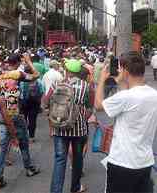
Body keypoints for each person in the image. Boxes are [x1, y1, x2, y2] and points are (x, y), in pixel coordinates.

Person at [95, 51, 157, 193]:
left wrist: (101, 80)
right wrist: (122, 80)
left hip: (122, 163)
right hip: (144, 162)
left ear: (125, 70)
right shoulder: (153, 94)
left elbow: (98, 105)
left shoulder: (126, 97)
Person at [0, 53, 40, 189]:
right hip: (15, 115)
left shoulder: (0, 75)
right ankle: (29, 168)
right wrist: (29, 62)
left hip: (3, 115)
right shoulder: (18, 74)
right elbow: (36, 75)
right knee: (23, 142)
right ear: (18, 62)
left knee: (2, 147)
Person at [50, 59, 91, 193]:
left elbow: (45, 100)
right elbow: (90, 107)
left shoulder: (57, 84)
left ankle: (56, 190)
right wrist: (83, 117)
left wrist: (51, 118)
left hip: (59, 127)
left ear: (67, 71)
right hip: (78, 129)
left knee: (59, 160)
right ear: (78, 72)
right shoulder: (86, 86)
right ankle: (75, 188)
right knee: (77, 160)